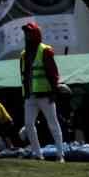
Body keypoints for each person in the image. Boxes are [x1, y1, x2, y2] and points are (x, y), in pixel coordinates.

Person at [19, 22, 66, 162]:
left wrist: (54, 91)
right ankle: (37, 154)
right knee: (28, 124)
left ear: (35, 34)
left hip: (45, 95)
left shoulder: (45, 50)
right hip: (30, 96)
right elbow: (24, 75)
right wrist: (26, 93)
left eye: (29, 32)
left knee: (53, 124)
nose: (27, 35)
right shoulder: (23, 54)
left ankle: (60, 154)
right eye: (26, 32)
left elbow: (53, 73)